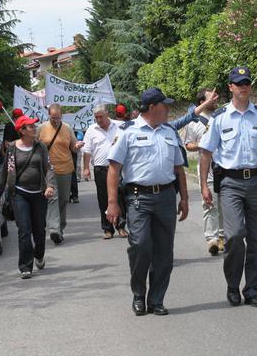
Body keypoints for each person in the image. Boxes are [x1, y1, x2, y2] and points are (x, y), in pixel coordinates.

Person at [199, 66, 257, 308]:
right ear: (230, 87)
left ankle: (252, 290)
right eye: (239, 83)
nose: (243, 87)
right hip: (230, 183)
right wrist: (203, 186)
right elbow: (206, 153)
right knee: (235, 235)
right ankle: (232, 285)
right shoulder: (219, 118)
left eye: (247, 82)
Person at [107, 88, 189, 316]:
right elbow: (113, 169)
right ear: (153, 107)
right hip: (137, 197)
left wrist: (184, 198)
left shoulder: (169, 133)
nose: (168, 109)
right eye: (165, 105)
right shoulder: (128, 133)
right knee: (140, 246)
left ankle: (156, 299)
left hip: (165, 197)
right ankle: (139, 294)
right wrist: (112, 203)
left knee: (164, 251)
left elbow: (179, 168)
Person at [0, 115, 56, 279]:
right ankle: (25, 266)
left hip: (39, 194)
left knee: (39, 230)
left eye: (34, 126)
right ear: (22, 130)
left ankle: (39, 254)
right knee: (24, 229)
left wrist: (50, 186)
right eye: (30, 126)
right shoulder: (13, 148)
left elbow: (49, 168)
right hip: (19, 194)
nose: (34, 128)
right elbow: (4, 173)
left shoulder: (41, 147)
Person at [183, 88, 224, 256]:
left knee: (224, 204)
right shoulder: (194, 122)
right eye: (211, 97)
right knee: (209, 203)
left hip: (224, 167)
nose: (215, 99)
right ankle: (212, 239)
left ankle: (222, 236)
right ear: (202, 102)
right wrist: (203, 144)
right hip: (206, 169)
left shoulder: (222, 117)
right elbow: (188, 145)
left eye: (215, 97)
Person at [37, 103, 84, 245]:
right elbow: (34, 147)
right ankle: (54, 230)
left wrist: (77, 146)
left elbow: (73, 147)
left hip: (65, 169)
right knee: (52, 198)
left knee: (63, 200)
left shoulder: (67, 128)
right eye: (53, 118)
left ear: (61, 116)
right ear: (48, 116)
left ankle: (60, 228)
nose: (55, 120)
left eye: (58, 118)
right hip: (48, 171)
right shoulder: (41, 128)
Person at [82, 104, 126, 239]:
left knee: (120, 197)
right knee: (103, 199)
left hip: (118, 168)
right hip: (101, 169)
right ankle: (107, 229)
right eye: (96, 117)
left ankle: (121, 226)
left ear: (107, 114)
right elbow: (87, 150)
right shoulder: (91, 129)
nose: (99, 120)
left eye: (101, 116)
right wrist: (85, 168)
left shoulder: (120, 126)